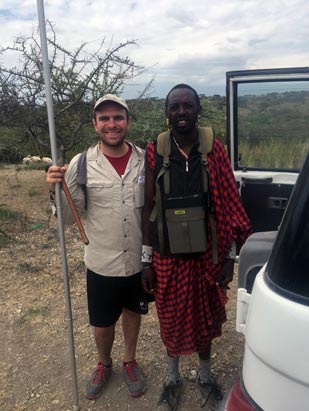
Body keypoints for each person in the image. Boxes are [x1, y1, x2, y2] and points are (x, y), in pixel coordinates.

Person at [141, 84, 252, 410]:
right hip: (168, 254)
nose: (181, 112)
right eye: (174, 107)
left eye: (187, 106)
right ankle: (172, 378)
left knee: (206, 318)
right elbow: (147, 206)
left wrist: (229, 258)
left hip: (208, 254)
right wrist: (146, 262)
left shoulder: (214, 149)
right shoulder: (156, 150)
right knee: (171, 317)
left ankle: (205, 375)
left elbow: (229, 205)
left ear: (198, 110)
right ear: (167, 113)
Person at [46, 94, 147, 401]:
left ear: (128, 121)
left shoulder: (146, 159)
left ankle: (130, 360)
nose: (112, 124)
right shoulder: (81, 164)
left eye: (118, 117)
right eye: (104, 119)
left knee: (133, 312)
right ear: (95, 124)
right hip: (102, 262)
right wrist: (53, 188)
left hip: (138, 260)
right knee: (102, 323)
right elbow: (66, 216)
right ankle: (104, 363)